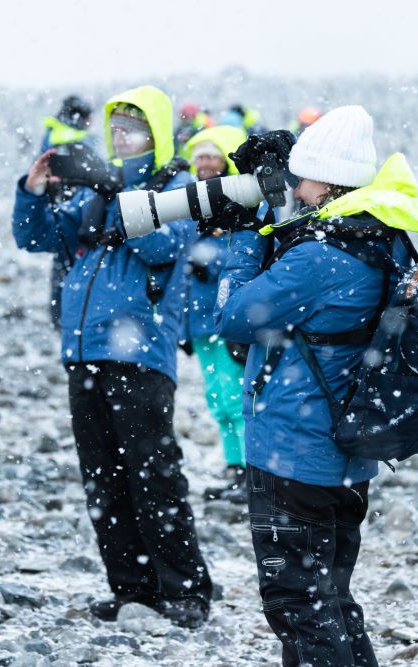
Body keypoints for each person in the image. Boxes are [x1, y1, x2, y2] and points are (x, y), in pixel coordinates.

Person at [216, 106, 418, 666]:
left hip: (295, 453)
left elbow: (236, 317)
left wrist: (242, 238)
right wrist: (277, 217)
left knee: (298, 606)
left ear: (326, 180)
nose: (293, 184)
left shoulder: (320, 255)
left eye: (300, 175)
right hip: (342, 453)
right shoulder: (377, 235)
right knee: (330, 599)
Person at [11, 85, 213, 628]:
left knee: (153, 475)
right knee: (103, 479)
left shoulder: (178, 189)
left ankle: (186, 591)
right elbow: (36, 239)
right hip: (83, 350)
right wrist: (33, 193)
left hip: (140, 353)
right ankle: (132, 591)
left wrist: (115, 191)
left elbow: (162, 247)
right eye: (116, 130)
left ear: (157, 134)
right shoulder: (95, 192)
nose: (121, 139)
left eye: (132, 130)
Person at [180, 125, 249, 503]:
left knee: (234, 395)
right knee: (218, 398)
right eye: (201, 157)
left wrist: (209, 260)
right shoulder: (188, 205)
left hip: (226, 320)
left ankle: (249, 470)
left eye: (212, 156)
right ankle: (235, 465)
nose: (206, 163)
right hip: (199, 321)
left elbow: (249, 251)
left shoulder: (236, 204)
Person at [37, 95, 102, 330]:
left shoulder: (52, 134)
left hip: (57, 207)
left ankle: (61, 317)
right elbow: (94, 174)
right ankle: (74, 320)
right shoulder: (77, 139)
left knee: (62, 264)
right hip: (80, 210)